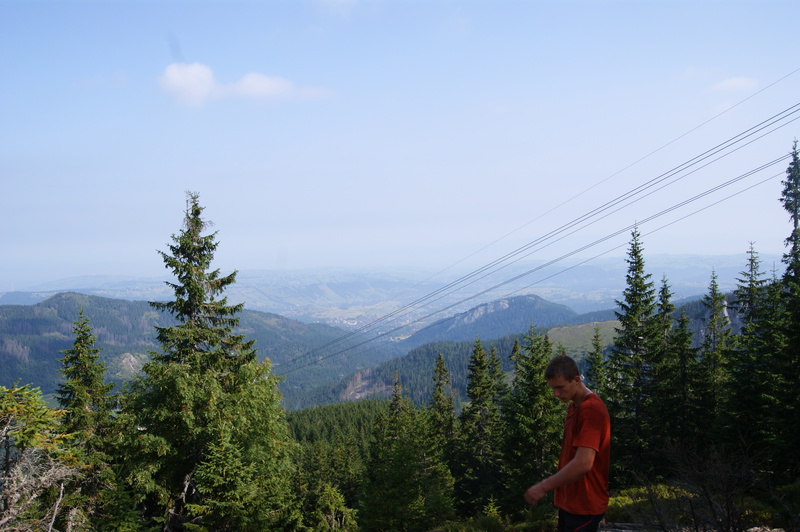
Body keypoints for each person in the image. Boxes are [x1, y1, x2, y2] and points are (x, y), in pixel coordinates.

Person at [524, 354, 611, 532]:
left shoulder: (591, 410)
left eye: (560, 387)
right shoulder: (574, 406)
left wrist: (543, 487)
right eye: (552, 388)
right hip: (571, 504)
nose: (556, 394)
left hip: (585, 506)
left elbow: (583, 463)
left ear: (576, 380)